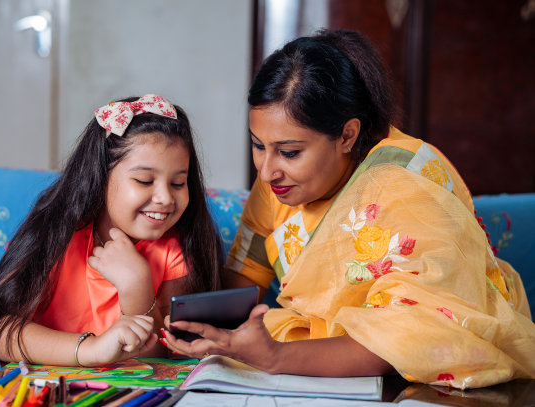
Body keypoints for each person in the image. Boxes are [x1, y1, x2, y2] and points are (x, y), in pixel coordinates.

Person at [161, 30, 535, 389]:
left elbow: (412, 336)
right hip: (304, 362)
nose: (267, 169)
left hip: (417, 375)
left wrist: (274, 356)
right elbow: (239, 290)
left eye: (289, 152)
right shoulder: (277, 184)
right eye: (258, 145)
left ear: (347, 135)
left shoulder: (400, 181)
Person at [0, 94, 223, 366]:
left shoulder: (177, 250)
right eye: (144, 180)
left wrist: (137, 287)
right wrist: (91, 350)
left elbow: (169, 358)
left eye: (178, 183)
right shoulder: (59, 233)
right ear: (100, 177)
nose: (165, 198)